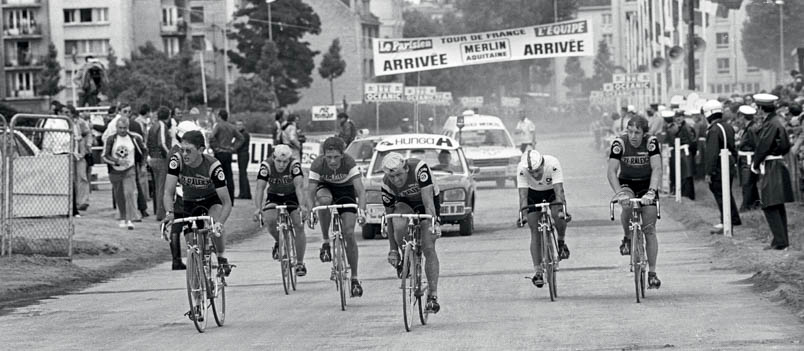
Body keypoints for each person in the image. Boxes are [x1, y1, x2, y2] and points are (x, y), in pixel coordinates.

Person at [163, 130, 234, 275]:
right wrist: (169, 214)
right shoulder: (177, 161)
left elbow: (227, 202)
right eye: (182, 150)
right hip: (190, 201)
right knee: (191, 244)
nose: (184, 154)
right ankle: (197, 280)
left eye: (189, 151)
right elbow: (168, 193)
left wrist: (220, 223)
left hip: (212, 200)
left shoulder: (213, 165)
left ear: (201, 150)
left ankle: (221, 258)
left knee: (213, 227)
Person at [305, 137, 367, 297]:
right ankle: (326, 241)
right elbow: (310, 191)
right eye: (328, 157)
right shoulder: (318, 164)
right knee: (324, 201)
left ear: (342, 155)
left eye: (336, 157)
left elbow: (360, 190)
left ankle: (354, 278)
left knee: (349, 233)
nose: (332, 161)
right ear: (323, 155)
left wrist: (361, 210)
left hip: (346, 190)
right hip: (326, 188)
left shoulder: (349, 162)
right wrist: (310, 211)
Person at [381, 152, 442, 313]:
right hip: (404, 205)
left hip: (426, 202)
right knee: (398, 222)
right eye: (392, 177)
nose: (396, 180)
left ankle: (433, 296)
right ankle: (407, 256)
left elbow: (428, 202)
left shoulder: (419, 169)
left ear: (406, 168)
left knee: (429, 247)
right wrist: (394, 250)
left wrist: (432, 225)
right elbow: (389, 217)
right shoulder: (386, 183)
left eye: (399, 175)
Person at [607, 116, 663, 289]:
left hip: (647, 184)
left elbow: (657, 169)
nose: (633, 136)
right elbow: (611, 171)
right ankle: (627, 236)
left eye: (637, 133)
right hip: (627, 182)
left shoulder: (651, 143)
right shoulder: (620, 143)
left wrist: (652, 191)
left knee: (649, 228)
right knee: (627, 204)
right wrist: (619, 194)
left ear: (644, 133)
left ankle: (652, 273)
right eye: (630, 132)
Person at [517, 150, 571, 288]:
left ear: (542, 164)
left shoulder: (552, 163)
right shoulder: (522, 169)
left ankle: (561, 241)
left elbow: (559, 191)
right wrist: (523, 215)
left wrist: (561, 211)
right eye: (532, 172)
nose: (535, 175)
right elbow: (523, 196)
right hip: (533, 194)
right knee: (534, 229)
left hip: (551, 192)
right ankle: (538, 271)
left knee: (558, 214)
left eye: (537, 171)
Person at [254, 144, 308, 276]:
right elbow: (260, 188)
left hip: (292, 196)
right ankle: (279, 241)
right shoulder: (266, 165)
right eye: (278, 161)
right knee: (270, 220)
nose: (281, 165)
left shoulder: (294, 166)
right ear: (273, 158)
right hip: (274, 196)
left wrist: (302, 205)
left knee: (298, 225)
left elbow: (299, 187)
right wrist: (257, 208)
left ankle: (300, 263)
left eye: (285, 162)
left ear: (289, 160)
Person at [751, 94, 794, 250]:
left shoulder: (771, 124)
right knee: (776, 203)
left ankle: (780, 241)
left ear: (762, 109)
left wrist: (754, 163)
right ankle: (780, 240)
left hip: (771, 163)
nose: (757, 111)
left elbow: (763, 146)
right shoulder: (775, 121)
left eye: (758, 108)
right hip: (776, 162)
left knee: (769, 203)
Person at [165, 121, 202, 270]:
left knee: (177, 225)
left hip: (177, 190)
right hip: (185, 191)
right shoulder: (184, 152)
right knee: (189, 224)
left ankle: (177, 259)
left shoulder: (174, 151)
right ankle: (192, 256)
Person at [702, 100, 742, 234]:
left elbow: (712, 152)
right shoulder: (728, 126)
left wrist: (708, 172)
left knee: (719, 192)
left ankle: (726, 221)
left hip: (719, 164)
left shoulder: (713, 130)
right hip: (729, 162)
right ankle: (733, 218)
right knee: (727, 191)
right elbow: (733, 148)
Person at [102, 117, 145, 230]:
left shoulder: (134, 138)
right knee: (119, 195)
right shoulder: (111, 139)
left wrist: (143, 165)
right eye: (120, 128)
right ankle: (122, 217)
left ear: (128, 128)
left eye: (124, 128)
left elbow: (143, 150)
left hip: (129, 169)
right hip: (115, 171)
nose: (122, 130)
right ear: (116, 128)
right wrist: (117, 161)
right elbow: (105, 156)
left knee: (130, 193)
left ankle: (130, 219)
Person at [209, 110, 245, 205]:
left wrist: (215, 147)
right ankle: (231, 200)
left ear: (220, 116)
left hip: (219, 153)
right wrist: (233, 147)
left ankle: (217, 199)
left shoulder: (218, 125)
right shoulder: (232, 127)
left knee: (217, 176)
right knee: (229, 177)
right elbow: (241, 138)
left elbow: (211, 136)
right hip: (228, 153)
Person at [148, 106, 172, 221]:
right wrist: (170, 155)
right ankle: (161, 214)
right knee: (162, 188)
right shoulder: (162, 126)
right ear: (169, 115)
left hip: (153, 158)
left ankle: (158, 211)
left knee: (158, 187)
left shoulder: (153, 125)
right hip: (161, 159)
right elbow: (162, 143)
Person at [666, 109, 697, 199]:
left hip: (685, 153)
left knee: (687, 175)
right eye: (676, 117)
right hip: (679, 153)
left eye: (680, 116)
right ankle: (683, 194)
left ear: (683, 117)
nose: (678, 118)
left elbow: (692, 142)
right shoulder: (675, 127)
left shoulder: (687, 127)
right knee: (682, 175)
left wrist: (691, 152)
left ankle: (687, 195)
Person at [737, 105, 761, 211]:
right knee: (750, 182)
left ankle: (746, 206)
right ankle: (755, 203)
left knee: (747, 182)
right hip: (746, 157)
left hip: (748, 158)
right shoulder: (749, 128)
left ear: (743, 116)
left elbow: (756, 144)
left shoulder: (751, 129)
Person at [235, 120, 252, 199]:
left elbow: (239, 145)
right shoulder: (243, 134)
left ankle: (244, 193)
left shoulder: (244, 134)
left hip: (243, 154)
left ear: (243, 125)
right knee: (243, 174)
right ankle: (246, 193)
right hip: (242, 154)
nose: (238, 126)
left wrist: (231, 149)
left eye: (240, 125)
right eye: (237, 125)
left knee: (242, 174)